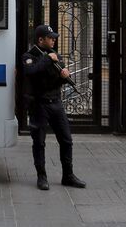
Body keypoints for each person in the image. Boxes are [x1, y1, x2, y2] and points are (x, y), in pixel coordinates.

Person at [21, 25, 87, 191]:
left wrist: (65, 76)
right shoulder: (29, 56)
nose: (54, 39)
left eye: (54, 37)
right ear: (40, 39)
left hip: (56, 103)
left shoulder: (55, 55)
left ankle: (68, 175)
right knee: (39, 142)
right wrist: (48, 59)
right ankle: (42, 177)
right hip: (39, 105)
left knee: (66, 140)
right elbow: (31, 72)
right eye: (50, 37)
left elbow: (57, 78)